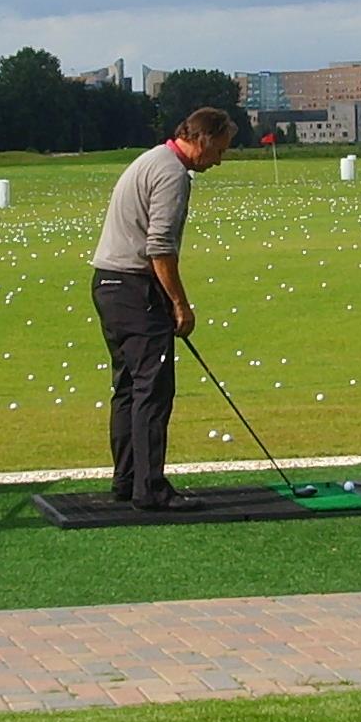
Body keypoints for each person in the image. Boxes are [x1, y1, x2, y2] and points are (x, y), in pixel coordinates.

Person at [90, 107, 235, 509]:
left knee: (129, 387)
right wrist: (179, 304)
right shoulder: (171, 173)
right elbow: (159, 248)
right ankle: (149, 489)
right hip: (134, 287)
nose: (220, 160)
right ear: (203, 140)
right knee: (152, 390)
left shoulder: (152, 158)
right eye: (220, 150)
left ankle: (128, 481)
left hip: (108, 283)